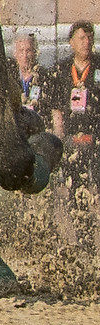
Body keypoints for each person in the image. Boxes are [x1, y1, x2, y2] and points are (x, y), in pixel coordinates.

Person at [51, 21, 100, 234]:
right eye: (82, 38)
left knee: (96, 186)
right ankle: (83, 234)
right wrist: (59, 137)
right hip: (72, 137)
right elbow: (56, 108)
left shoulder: (98, 66)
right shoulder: (61, 69)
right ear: (71, 42)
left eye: (90, 38)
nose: (86, 42)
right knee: (75, 187)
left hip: (96, 135)